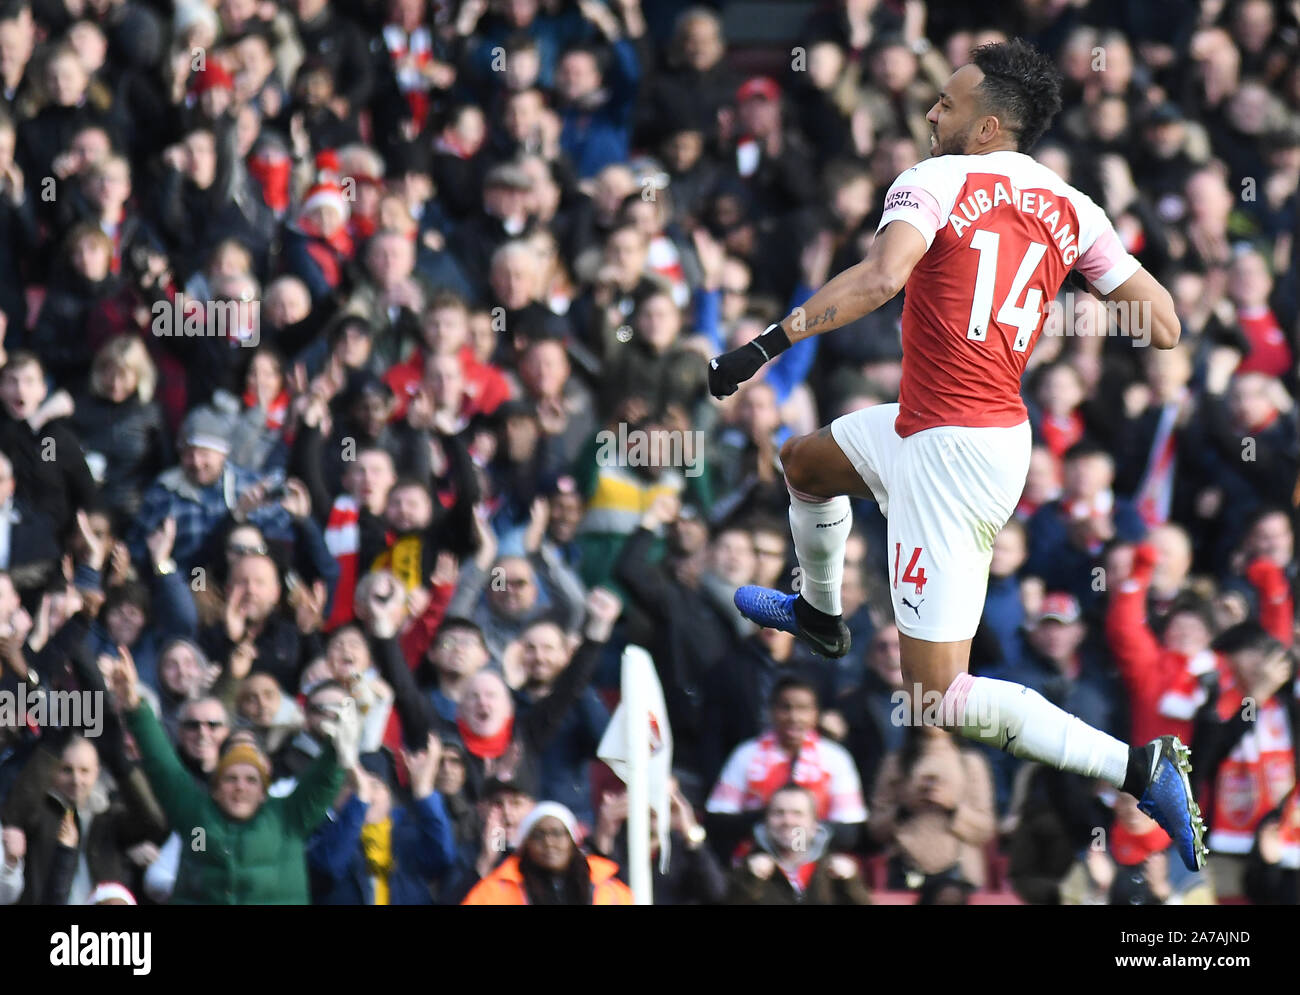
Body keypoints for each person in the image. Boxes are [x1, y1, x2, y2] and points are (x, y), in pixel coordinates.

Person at [705, 39, 1205, 872]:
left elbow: (877, 279)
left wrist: (763, 346)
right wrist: (1072, 295)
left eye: (947, 102)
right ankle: (823, 614)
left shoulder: (932, 180)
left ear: (989, 125)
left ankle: (1139, 767)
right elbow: (1164, 324)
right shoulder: (1073, 207)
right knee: (804, 463)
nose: (932, 112)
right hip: (944, 424)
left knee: (936, 696)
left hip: (951, 452)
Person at [461, 801, 632, 905]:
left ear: (572, 841)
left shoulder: (610, 888)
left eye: (557, 834)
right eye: (539, 835)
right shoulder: (495, 890)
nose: (549, 843)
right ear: (526, 845)